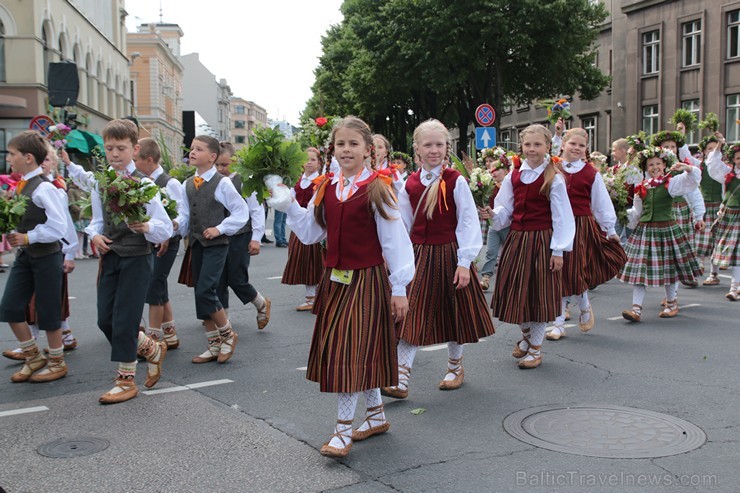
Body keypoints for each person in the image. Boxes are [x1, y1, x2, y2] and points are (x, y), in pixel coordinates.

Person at [275, 116, 414, 459]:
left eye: (354, 144)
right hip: (335, 280)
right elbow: (311, 233)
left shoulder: (378, 188)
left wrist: (400, 287)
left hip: (366, 279)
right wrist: (289, 205)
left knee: (348, 351)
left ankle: (342, 429)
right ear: (332, 150)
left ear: (369, 150)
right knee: (357, 349)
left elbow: (395, 240)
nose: (347, 150)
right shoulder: (327, 187)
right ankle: (376, 415)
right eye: (341, 144)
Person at [383, 119, 494, 399]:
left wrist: (464, 261)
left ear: (447, 147)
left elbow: (467, 221)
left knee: (453, 312)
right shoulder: (409, 183)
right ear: (417, 149)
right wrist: (397, 257)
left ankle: (455, 367)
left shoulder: (455, 181)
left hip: (449, 253)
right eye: (428, 144)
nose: (434, 150)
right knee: (412, 313)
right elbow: (404, 224)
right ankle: (401, 375)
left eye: (440, 144)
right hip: (419, 255)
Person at [87, 119, 172, 403]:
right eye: (109, 148)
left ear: (134, 149)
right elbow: (96, 222)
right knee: (104, 320)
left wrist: (146, 227)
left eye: (120, 148)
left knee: (125, 320)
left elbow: (165, 227)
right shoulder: (101, 183)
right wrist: (95, 236)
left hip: (137, 258)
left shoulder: (144, 183)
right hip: (111, 256)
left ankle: (126, 381)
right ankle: (150, 348)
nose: (114, 154)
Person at [490, 124, 575, 369]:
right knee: (515, 293)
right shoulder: (514, 175)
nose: (532, 149)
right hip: (517, 239)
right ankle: (527, 337)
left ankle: (535, 349)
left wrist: (558, 250)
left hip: (541, 241)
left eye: (537, 144)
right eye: (527, 144)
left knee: (537, 295)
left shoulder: (553, 177)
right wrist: (492, 214)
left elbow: (562, 217)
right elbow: (505, 208)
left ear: (548, 146)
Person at [0, 131, 69, 382]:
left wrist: (28, 237)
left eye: (12, 154)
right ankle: (34, 357)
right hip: (26, 256)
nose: (9, 158)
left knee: (48, 309)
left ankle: (57, 362)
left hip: (46, 256)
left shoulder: (44, 188)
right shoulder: (22, 185)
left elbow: (59, 227)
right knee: (9, 307)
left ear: (28, 157)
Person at [547, 128, 626, 341]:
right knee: (556, 272)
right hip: (555, 224)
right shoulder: (553, 167)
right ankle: (581, 307)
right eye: (573, 144)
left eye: (581, 146)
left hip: (580, 226)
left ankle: (559, 323)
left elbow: (601, 204)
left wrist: (610, 230)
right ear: (563, 144)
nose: (577, 148)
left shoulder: (591, 173)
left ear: (586, 150)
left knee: (571, 271)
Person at [184, 135, 248, 365]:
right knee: (200, 295)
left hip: (217, 245)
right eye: (192, 149)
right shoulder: (188, 183)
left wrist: (220, 228)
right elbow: (184, 216)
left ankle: (228, 335)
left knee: (206, 290)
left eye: (198, 149)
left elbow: (241, 212)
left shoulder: (223, 183)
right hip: (197, 244)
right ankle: (213, 344)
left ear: (212, 157)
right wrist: (170, 229)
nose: (192, 152)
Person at [620, 147, 703, 321]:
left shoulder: (670, 183)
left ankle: (672, 303)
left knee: (669, 268)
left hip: (666, 229)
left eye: (658, 163)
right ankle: (636, 309)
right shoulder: (641, 187)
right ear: (645, 167)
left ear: (665, 165)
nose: (655, 167)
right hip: (645, 230)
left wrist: (687, 168)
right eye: (651, 164)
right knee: (639, 269)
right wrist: (624, 216)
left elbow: (693, 181)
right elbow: (637, 211)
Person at [134, 138, 189, 350]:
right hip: (151, 240)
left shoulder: (170, 183)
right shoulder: (139, 181)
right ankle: (170, 332)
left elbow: (183, 216)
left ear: (148, 160)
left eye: (136, 159)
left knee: (154, 284)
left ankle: (154, 337)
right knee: (158, 283)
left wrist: (170, 230)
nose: (133, 164)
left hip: (168, 241)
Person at [214, 142, 271, 329]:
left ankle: (261, 304)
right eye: (217, 165)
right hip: (219, 235)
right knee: (219, 279)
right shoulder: (213, 181)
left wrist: (256, 237)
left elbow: (256, 210)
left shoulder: (244, 181)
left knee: (237, 278)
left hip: (241, 235)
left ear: (235, 162)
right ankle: (225, 321)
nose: (221, 169)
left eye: (225, 164)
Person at [652, 128, 705, 288]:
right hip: (663, 212)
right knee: (667, 250)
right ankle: (670, 286)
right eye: (666, 146)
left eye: (673, 146)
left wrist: (699, 216)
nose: (670, 149)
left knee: (684, 246)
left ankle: (687, 274)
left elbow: (694, 192)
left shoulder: (682, 167)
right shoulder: (655, 168)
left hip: (681, 210)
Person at [281, 147, 324, 311]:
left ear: (319, 163)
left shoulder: (320, 181)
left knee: (316, 261)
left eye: (313, 159)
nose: (309, 162)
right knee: (303, 261)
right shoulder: (298, 181)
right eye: (306, 159)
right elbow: (289, 199)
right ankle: (310, 296)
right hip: (299, 225)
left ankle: (316, 296)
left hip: (313, 223)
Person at [706, 134, 740, 301]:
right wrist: (719, 144)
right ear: (733, 160)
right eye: (738, 158)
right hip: (729, 216)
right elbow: (713, 165)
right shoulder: (728, 174)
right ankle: (729, 284)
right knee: (728, 249)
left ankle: (735, 288)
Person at [477, 150, 511, 290]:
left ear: (505, 170)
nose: (493, 172)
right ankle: (486, 277)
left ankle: (510, 279)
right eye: (491, 170)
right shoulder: (489, 186)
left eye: (497, 169)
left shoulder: (510, 185)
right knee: (491, 251)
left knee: (510, 254)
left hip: (509, 225)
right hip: (494, 224)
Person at [694, 135, 723, 286]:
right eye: (709, 149)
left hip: (718, 206)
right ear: (704, 151)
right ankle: (700, 262)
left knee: (717, 240)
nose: (712, 151)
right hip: (703, 206)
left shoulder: (722, 167)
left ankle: (714, 273)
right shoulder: (699, 166)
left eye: (715, 148)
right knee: (700, 237)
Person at [610, 138, 643, 245]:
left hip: (630, 206)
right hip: (617, 207)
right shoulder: (614, 169)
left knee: (630, 236)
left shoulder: (635, 170)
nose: (612, 153)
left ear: (622, 151)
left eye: (614, 150)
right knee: (615, 234)